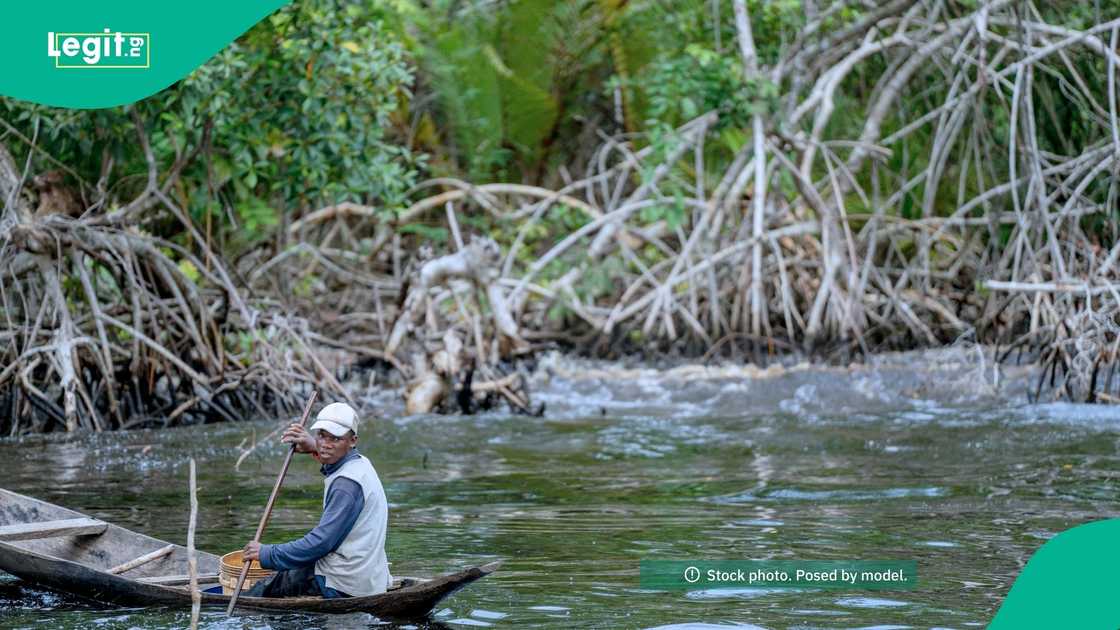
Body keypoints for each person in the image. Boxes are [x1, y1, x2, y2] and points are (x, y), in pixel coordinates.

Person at [241, 402, 391, 598]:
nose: (326, 445)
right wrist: (314, 447)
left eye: (335, 438)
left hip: (344, 583)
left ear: (353, 441)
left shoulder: (346, 485)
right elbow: (332, 452)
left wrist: (268, 553)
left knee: (265, 590)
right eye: (321, 435)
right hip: (369, 576)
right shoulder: (361, 463)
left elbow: (320, 544)